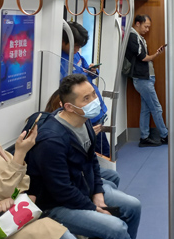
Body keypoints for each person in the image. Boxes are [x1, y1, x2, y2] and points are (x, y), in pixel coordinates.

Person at [26, 74, 141, 239]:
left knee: (133, 206)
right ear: (70, 107)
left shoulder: (83, 120)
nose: (94, 101)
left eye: (93, 94)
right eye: (86, 98)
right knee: (117, 228)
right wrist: (93, 207)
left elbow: (92, 161)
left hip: (82, 188)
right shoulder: (52, 140)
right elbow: (61, 190)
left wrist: (98, 193)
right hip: (57, 205)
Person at [0, 93, 73, 239]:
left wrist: (10, 197)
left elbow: (23, 181)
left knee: (63, 233)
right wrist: (20, 154)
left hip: (14, 213)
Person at [43, 89, 120, 188]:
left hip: (83, 167)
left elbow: (91, 159)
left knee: (114, 176)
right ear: (66, 107)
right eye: (86, 99)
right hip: (74, 172)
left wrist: (89, 137)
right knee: (111, 185)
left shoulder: (83, 122)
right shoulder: (54, 132)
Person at [61, 21, 110, 157]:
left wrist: (93, 71)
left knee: (103, 150)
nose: (77, 49)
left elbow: (86, 72)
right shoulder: (59, 61)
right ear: (63, 41)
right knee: (94, 153)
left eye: (79, 46)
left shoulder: (76, 55)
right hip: (82, 114)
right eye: (75, 45)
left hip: (95, 110)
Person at [125, 14, 169, 147]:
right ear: (137, 23)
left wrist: (156, 54)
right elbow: (143, 58)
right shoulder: (133, 37)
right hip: (142, 78)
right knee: (156, 108)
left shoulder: (139, 38)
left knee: (146, 109)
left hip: (146, 77)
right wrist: (155, 55)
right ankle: (165, 135)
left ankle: (144, 136)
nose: (147, 29)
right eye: (146, 26)